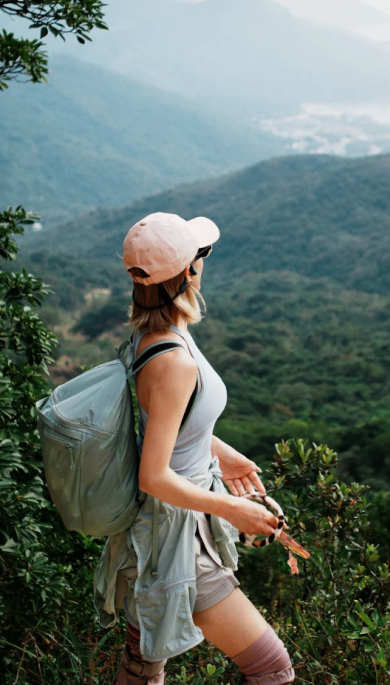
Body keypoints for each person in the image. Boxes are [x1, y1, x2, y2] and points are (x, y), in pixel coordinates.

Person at [93, 212, 295, 685]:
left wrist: (218, 450)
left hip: (155, 535)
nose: (205, 261)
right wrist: (233, 510)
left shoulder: (156, 335)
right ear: (188, 273)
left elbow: (161, 420)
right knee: (272, 670)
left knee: (143, 669)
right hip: (174, 540)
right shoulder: (173, 360)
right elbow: (154, 475)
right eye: (200, 255)